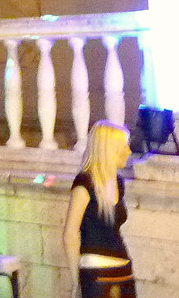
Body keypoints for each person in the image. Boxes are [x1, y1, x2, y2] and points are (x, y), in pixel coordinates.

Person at [63, 120, 136, 298]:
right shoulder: (85, 183)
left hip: (122, 268)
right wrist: (77, 281)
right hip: (96, 271)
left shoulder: (118, 182)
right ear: (110, 149)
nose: (128, 151)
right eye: (124, 146)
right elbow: (70, 235)